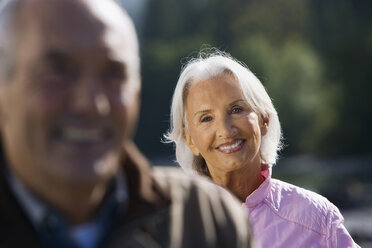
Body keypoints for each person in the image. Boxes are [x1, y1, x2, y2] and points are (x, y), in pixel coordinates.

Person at [0, 1, 253, 247]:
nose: (91, 103)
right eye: (57, 71)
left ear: (137, 94)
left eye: (114, 74)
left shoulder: (207, 222)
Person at [166, 50, 360, 248]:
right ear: (189, 140)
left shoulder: (318, 219)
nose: (225, 129)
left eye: (236, 109)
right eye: (206, 118)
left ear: (264, 119)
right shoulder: (168, 229)